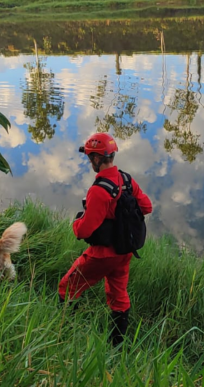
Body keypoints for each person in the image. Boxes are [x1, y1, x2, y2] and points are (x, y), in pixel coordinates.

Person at [58, 132, 153, 345]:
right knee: (118, 294)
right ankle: (116, 344)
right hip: (124, 252)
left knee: (67, 286)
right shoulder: (126, 180)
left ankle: (63, 333)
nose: (89, 161)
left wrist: (76, 222)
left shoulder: (99, 191)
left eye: (90, 157)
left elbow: (84, 231)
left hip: (102, 254)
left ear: (97, 158)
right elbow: (147, 207)